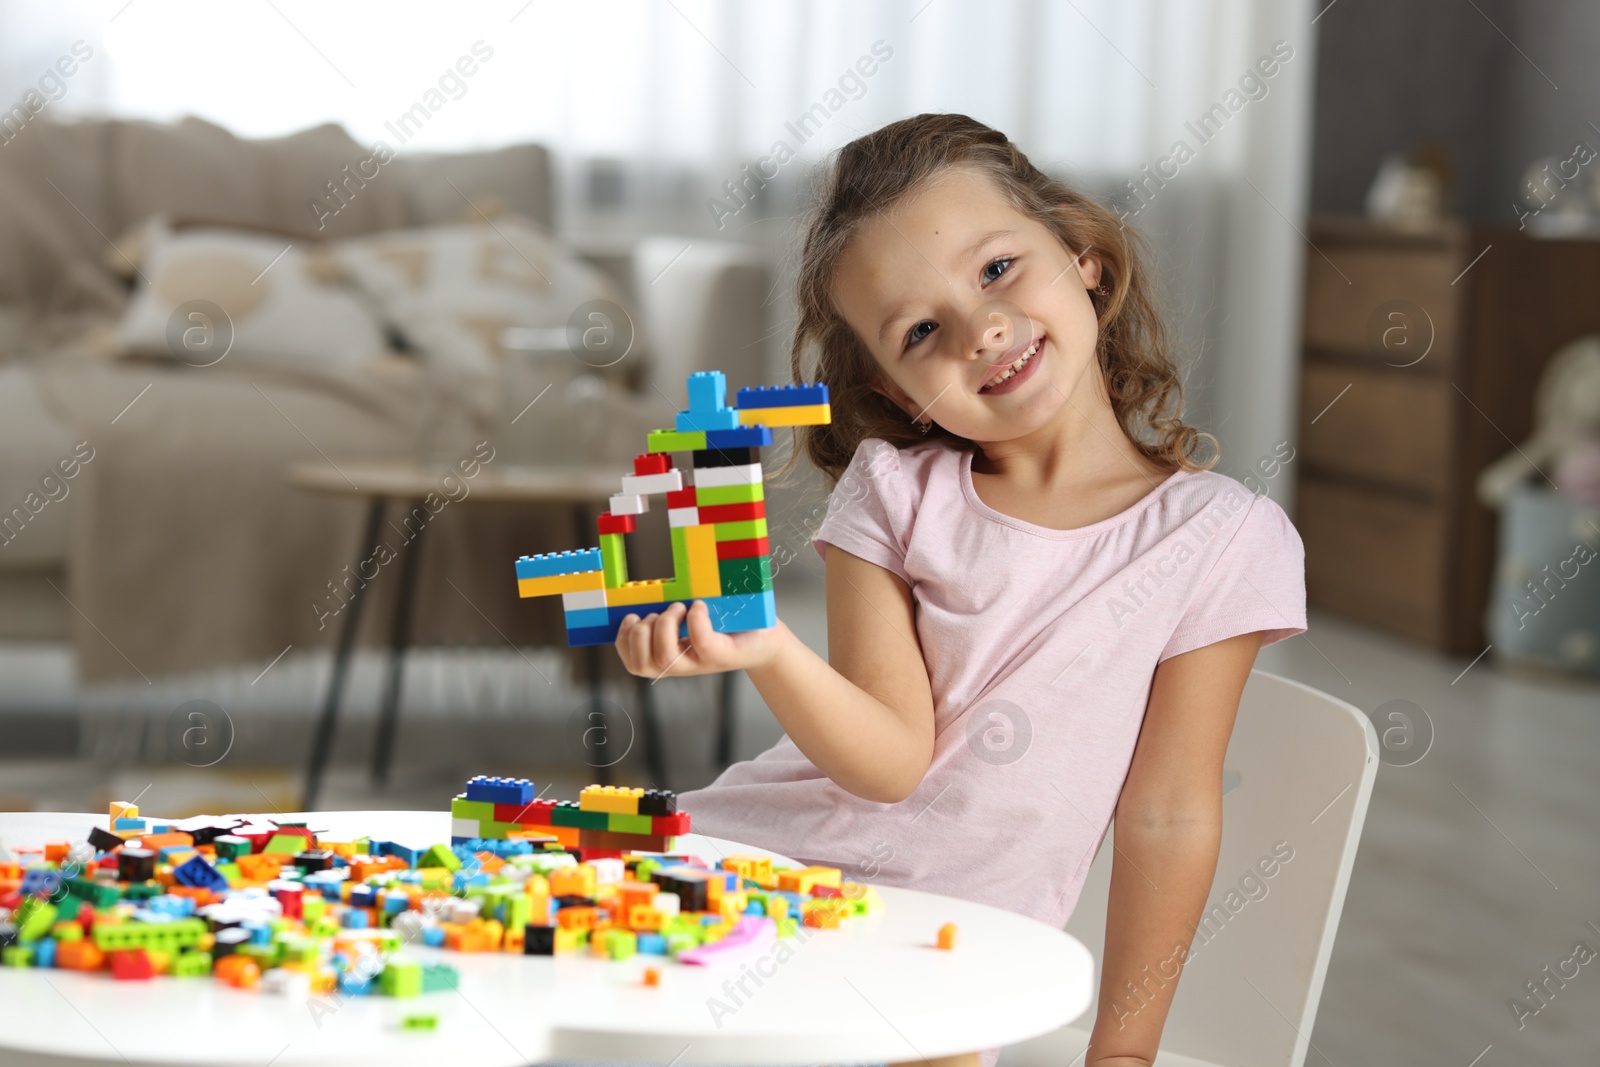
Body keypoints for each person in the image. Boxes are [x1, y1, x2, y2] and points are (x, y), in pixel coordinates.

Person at [614, 113, 1307, 1067]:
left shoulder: (1218, 537)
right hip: (750, 880)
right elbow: (891, 762)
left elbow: (1169, 813)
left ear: (1084, 255)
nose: (981, 329)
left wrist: (1124, 1052)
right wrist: (763, 646)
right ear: (899, 393)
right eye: (923, 331)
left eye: (997, 270)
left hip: (939, 961)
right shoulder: (893, 492)